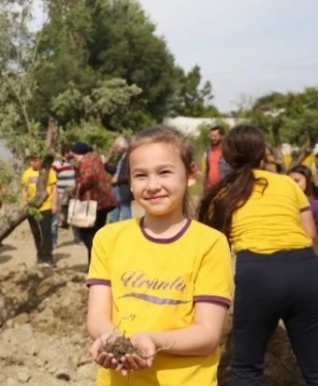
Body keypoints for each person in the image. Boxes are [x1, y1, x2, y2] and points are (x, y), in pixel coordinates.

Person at [87, 125, 233, 385]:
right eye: (140, 175)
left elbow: (208, 335)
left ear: (190, 174)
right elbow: (97, 316)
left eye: (164, 172)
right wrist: (110, 340)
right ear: (130, 182)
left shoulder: (210, 244)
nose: (153, 185)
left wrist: (153, 341)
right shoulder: (108, 238)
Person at [198, 124, 318, 386]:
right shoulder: (287, 183)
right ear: (263, 153)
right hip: (305, 268)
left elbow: (212, 246)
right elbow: (310, 233)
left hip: (258, 273)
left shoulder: (221, 194)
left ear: (227, 157)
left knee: (246, 368)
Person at [70, 142, 116, 265]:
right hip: (104, 202)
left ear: (79, 154)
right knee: (98, 234)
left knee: (86, 234)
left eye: (74, 156)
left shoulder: (86, 161)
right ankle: (97, 265)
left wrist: (77, 187)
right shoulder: (96, 159)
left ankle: (97, 262)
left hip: (93, 203)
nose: (74, 158)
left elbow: (89, 178)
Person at [22, 155, 58, 267]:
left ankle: (48, 258)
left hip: (46, 207)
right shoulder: (27, 173)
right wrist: (24, 203)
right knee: (36, 233)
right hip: (32, 208)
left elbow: (54, 189)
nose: (33, 162)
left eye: (36, 160)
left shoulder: (49, 171)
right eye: (31, 160)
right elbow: (24, 189)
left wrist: (54, 204)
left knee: (46, 233)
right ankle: (40, 257)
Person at [51, 145, 77, 247]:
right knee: (57, 218)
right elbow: (53, 180)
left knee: (74, 217)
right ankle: (53, 240)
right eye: (71, 152)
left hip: (72, 195)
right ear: (66, 153)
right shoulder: (57, 165)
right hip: (61, 194)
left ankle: (77, 239)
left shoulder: (74, 164)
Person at [105, 136, 133, 223]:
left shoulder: (129, 157)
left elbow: (130, 175)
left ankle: (129, 231)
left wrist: (118, 179)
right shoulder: (120, 158)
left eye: (117, 147)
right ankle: (113, 230)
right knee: (114, 212)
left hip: (123, 189)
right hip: (116, 189)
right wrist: (106, 163)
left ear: (123, 147)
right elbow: (114, 169)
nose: (115, 149)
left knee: (125, 214)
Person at [288, 164, 318, 230]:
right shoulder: (286, 204)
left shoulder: (315, 205)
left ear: (309, 179)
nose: (293, 185)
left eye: (297, 181)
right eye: (290, 182)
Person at [204, 125, 230, 190]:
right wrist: (205, 185)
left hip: (224, 188)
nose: (212, 138)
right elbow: (208, 169)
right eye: (211, 136)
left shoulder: (229, 151)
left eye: (215, 136)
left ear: (222, 136)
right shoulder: (209, 150)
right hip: (210, 188)